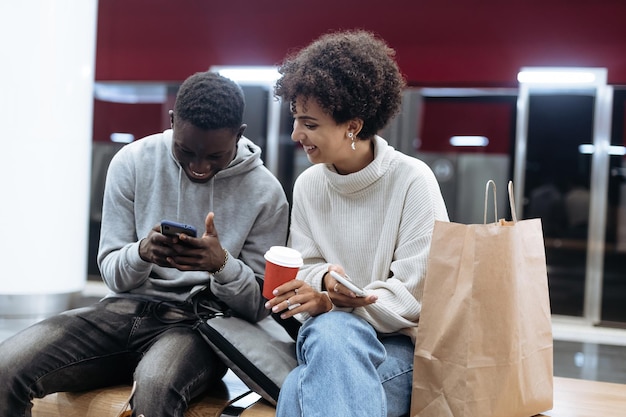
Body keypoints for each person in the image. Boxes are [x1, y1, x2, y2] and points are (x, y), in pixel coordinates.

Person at [0, 71, 289, 417]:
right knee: (6, 368)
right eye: (186, 151)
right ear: (172, 121)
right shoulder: (133, 162)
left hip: (200, 323)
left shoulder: (266, 194)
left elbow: (258, 307)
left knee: (155, 388)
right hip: (122, 310)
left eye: (214, 156)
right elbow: (112, 273)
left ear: (239, 135)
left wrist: (221, 265)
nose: (199, 167)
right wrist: (141, 252)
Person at [265, 30, 449, 417]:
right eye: (296, 120)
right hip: (325, 339)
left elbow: (419, 294)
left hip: (400, 349)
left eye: (309, 124)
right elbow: (307, 271)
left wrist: (331, 303)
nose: (296, 134)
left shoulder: (412, 180)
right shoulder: (310, 185)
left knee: (301, 386)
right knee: (331, 333)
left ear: (353, 125)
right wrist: (322, 284)